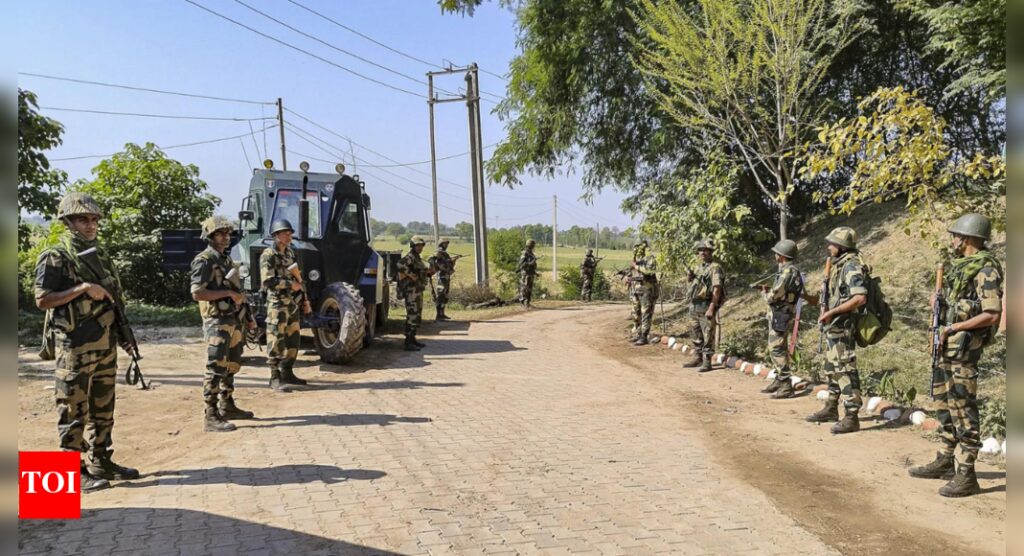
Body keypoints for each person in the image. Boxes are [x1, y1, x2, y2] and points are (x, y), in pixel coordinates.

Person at [34, 192, 140, 492]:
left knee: (103, 407)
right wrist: (82, 288)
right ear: (67, 222)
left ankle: (101, 460)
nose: (90, 225)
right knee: (72, 409)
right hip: (75, 347)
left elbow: (114, 300)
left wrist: (123, 337)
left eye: (94, 219)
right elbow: (42, 299)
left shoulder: (100, 255)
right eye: (83, 219)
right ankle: (70, 474)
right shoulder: (56, 255)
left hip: (104, 343)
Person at [908, 213, 1003, 498]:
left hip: (963, 351)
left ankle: (967, 473)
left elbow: (992, 313)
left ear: (969, 238)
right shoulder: (960, 267)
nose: (952, 240)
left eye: (956, 235)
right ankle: (945, 459)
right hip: (945, 348)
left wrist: (955, 327)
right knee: (944, 404)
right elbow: (954, 304)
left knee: (963, 408)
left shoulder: (986, 270)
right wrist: (937, 303)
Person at [191, 216, 258, 432]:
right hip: (216, 321)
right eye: (220, 233)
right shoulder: (205, 260)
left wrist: (249, 318)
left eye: (227, 233)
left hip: (233, 319)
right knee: (216, 366)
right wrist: (227, 293)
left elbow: (239, 293)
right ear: (210, 236)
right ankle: (210, 415)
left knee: (231, 365)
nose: (225, 237)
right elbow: (197, 293)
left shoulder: (226, 260)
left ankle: (227, 405)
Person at [804, 227, 867, 434]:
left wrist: (832, 312)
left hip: (843, 326)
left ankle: (851, 416)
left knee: (844, 369)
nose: (829, 247)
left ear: (841, 246)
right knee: (832, 368)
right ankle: (831, 407)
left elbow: (860, 298)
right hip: (834, 325)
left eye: (832, 244)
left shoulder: (851, 266)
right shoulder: (839, 265)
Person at [260, 219, 312, 391]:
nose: (289, 236)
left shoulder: (290, 253)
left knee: (293, 339)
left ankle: (287, 372)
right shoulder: (268, 255)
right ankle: (274, 377)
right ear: (276, 235)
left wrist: (304, 299)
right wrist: (290, 285)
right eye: (285, 233)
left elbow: (298, 279)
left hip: (292, 303)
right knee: (276, 339)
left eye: (290, 233)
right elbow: (267, 281)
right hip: (277, 304)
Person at [758, 239, 804, 399]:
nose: (775, 255)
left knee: (776, 349)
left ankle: (785, 384)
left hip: (781, 314)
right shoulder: (790, 271)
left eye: (776, 253)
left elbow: (775, 295)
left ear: (782, 256)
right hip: (783, 313)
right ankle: (779, 379)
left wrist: (765, 294)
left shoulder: (787, 272)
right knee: (780, 347)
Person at [685, 239, 724, 371]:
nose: (702, 252)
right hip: (695, 305)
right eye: (700, 250)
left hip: (706, 305)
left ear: (711, 252)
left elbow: (717, 289)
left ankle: (707, 362)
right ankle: (697, 358)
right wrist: (690, 277)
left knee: (708, 335)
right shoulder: (699, 267)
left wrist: (712, 307)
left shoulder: (715, 268)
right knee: (695, 333)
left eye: (705, 250)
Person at [397, 236, 434, 350]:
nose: (420, 248)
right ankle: (408, 342)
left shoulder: (417, 258)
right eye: (417, 246)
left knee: (417, 315)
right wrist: (411, 275)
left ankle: (412, 339)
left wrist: (428, 272)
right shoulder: (410, 257)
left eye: (421, 246)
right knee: (412, 315)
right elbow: (400, 264)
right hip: (411, 291)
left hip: (417, 290)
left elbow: (420, 271)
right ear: (413, 246)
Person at [629, 240, 658, 345]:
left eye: (639, 247)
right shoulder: (637, 259)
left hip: (647, 290)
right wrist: (629, 277)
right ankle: (638, 334)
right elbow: (635, 273)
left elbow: (648, 271)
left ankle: (644, 336)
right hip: (636, 290)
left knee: (646, 313)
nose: (636, 249)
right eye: (635, 247)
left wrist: (636, 266)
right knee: (636, 313)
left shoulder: (650, 258)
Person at [430, 239, 457, 321]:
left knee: (445, 296)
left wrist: (453, 261)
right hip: (441, 277)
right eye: (445, 244)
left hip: (446, 277)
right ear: (441, 244)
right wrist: (450, 261)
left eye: (447, 244)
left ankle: (442, 313)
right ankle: (438, 314)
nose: (446, 245)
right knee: (440, 295)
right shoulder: (439, 252)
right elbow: (438, 262)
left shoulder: (444, 253)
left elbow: (448, 264)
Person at [516, 239, 539, 308]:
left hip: (531, 273)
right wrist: (530, 263)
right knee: (524, 288)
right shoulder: (525, 253)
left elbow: (533, 265)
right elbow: (522, 264)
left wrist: (535, 273)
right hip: (526, 273)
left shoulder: (531, 253)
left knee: (529, 289)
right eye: (533, 244)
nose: (533, 246)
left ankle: (528, 302)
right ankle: (523, 302)